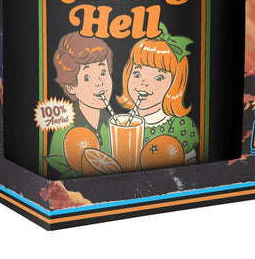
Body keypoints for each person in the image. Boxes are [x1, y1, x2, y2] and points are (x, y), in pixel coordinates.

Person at [117, 23, 200, 165]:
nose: (144, 83)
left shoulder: (180, 127)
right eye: (137, 74)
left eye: (159, 77)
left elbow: (192, 170)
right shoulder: (120, 124)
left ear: (175, 84)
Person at [46, 32, 113, 177]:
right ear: (71, 87)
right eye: (87, 77)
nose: (99, 82)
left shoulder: (112, 125)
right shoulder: (64, 128)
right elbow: (56, 171)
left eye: (103, 72)